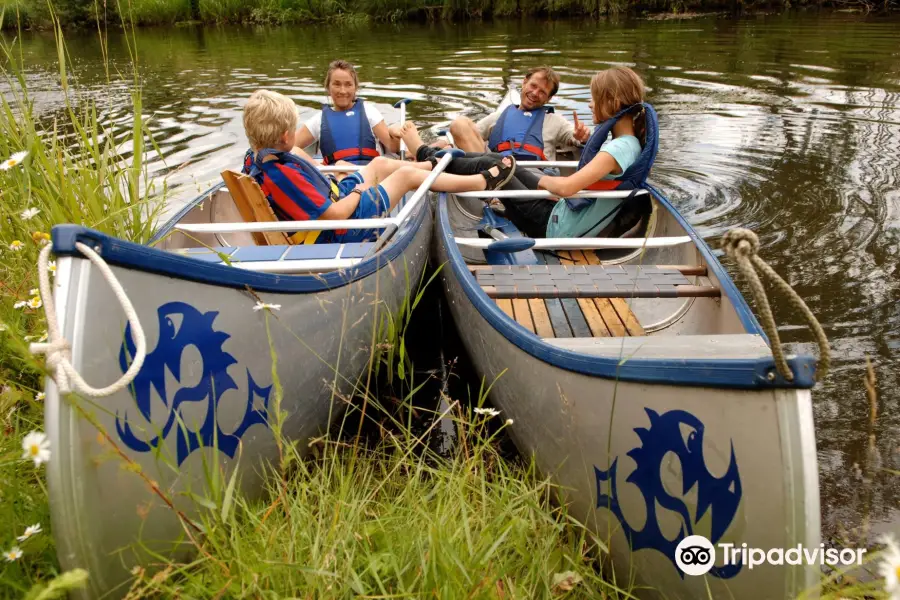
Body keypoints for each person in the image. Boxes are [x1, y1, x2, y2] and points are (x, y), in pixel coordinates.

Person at [401, 67, 650, 240]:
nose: (590, 104)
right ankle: (429, 156)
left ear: (613, 101)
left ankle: (424, 154)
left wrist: (529, 178)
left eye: (594, 99)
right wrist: (516, 171)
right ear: (523, 82)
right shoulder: (629, 144)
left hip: (552, 224)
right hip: (558, 213)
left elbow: (565, 189)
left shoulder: (618, 148)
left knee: (493, 164)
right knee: (498, 163)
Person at [240, 90, 516, 245]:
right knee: (405, 175)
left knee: (381, 163)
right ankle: (478, 183)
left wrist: (337, 172)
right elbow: (334, 216)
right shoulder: (283, 174)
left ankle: (430, 164)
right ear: (286, 136)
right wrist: (359, 192)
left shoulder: (258, 160)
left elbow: (301, 163)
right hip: (343, 226)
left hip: (336, 201)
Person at [448, 66, 591, 161]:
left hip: (536, 179)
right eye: (533, 86)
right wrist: (445, 143)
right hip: (497, 175)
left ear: (549, 98)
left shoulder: (556, 121)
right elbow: (467, 136)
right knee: (460, 123)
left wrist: (582, 136)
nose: (535, 93)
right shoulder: (498, 117)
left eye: (542, 92)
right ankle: (490, 193)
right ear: (524, 82)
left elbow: (575, 135)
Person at [293, 60, 403, 165]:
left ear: (355, 88)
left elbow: (393, 147)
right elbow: (290, 146)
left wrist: (395, 134)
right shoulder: (318, 120)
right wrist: (314, 165)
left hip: (367, 173)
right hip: (335, 177)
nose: (343, 91)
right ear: (328, 87)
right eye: (337, 84)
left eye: (348, 84)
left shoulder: (369, 112)